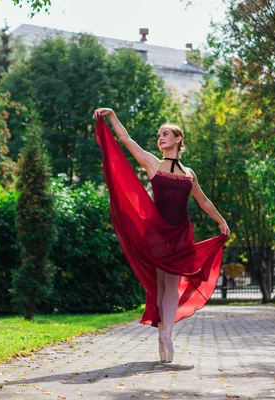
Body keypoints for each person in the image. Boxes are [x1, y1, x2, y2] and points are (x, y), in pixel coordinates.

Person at [93, 107, 229, 363]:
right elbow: (126, 140)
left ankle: (166, 333)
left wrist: (220, 220)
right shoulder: (153, 164)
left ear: (178, 139)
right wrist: (112, 117)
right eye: (159, 135)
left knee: (171, 286)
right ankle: (164, 333)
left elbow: (203, 200)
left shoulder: (189, 173)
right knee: (162, 283)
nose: (160, 137)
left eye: (165, 134)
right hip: (158, 233)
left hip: (181, 234)